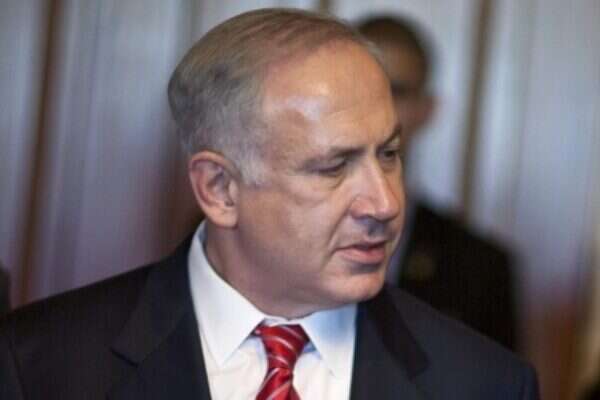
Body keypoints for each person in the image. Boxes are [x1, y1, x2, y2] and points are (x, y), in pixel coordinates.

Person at [0, 8, 538, 399]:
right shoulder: (39, 364)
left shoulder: (486, 384)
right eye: (334, 167)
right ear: (219, 188)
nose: (384, 203)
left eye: (389, 154)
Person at [358, 16, 518, 350]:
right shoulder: (282, 243)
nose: (377, 106)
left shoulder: (480, 267)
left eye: (397, 91)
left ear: (426, 110)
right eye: (359, 87)